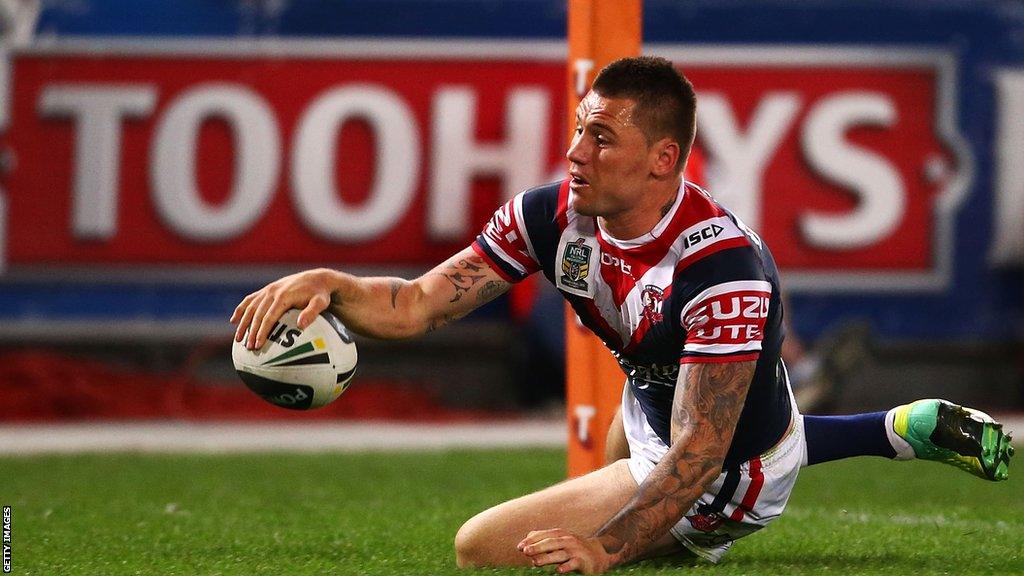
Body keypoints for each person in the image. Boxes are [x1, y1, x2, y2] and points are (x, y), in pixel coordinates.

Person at [230, 57, 1014, 574]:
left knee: (481, 550)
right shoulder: (551, 217)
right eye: (577, 128)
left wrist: (605, 550)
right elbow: (416, 305)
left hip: (728, 475)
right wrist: (330, 282)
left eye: (601, 138)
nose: (575, 151)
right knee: (625, 444)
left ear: (663, 160)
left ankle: (856, 441)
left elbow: (701, 454)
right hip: (658, 394)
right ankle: (900, 428)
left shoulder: (723, 272)